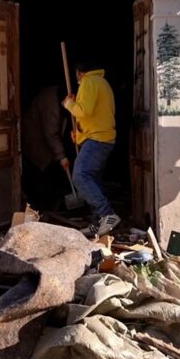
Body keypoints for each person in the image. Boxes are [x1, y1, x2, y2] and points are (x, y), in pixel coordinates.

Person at [63, 59, 119, 237]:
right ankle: (97, 223)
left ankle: (107, 214)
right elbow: (93, 116)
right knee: (92, 179)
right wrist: (79, 135)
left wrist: (68, 104)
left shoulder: (89, 82)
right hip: (99, 138)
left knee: (80, 176)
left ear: (79, 73)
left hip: (98, 140)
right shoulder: (101, 83)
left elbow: (84, 110)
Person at [21, 84, 72, 211]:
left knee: (46, 173)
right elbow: (51, 133)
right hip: (35, 140)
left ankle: (46, 206)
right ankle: (41, 208)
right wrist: (62, 157)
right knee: (40, 175)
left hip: (43, 141)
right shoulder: (51, 104)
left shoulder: (56, 98)